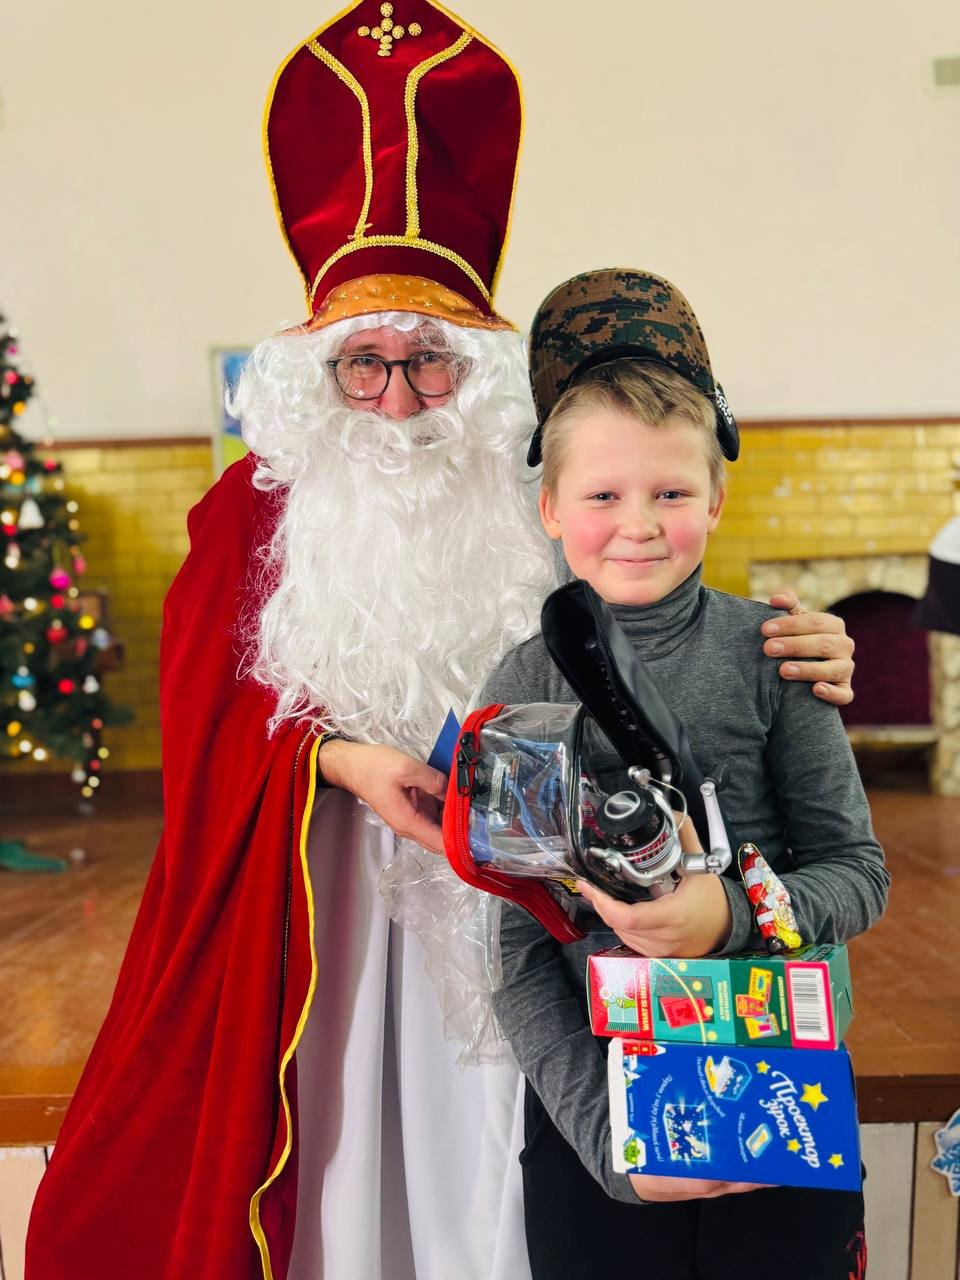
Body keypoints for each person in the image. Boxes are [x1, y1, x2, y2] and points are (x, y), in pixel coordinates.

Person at [24, 10, 856, 1279]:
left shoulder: (539, 494)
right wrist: (341, 762)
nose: (401, 401)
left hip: (550, 917)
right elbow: (205, 720)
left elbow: (662, 613)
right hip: (329, 908)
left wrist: (801, 645)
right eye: (363, 366)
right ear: (318, 372)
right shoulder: (249, 513)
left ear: (480, 371)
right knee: (350, 1168)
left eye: (431, 363)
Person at [481, 269, 889, 1280]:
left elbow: (858, 873)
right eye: (603, 494)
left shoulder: (776, 655)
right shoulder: (522, 684)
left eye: (670, 492)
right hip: (600, 1116)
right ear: (550, 507)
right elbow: (515, 945)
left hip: (783, 1089)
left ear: (716, 495)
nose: (640, 522)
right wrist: (605, 1138)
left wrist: (732, 916)